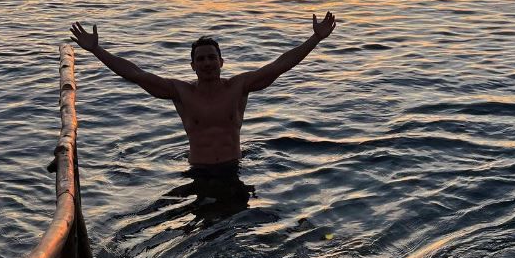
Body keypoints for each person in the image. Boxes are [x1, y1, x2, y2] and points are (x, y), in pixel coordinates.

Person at [69, 12, 336, 173]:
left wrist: (315, 39)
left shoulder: (239, 86)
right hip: (198, 170)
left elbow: (279, 66)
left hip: (234, 168)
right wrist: (96, 51)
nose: (207, 63)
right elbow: (135, 74)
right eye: (201, 59)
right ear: (192, 65)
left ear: (221, 62)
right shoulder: (180, 91)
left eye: (211, 58)